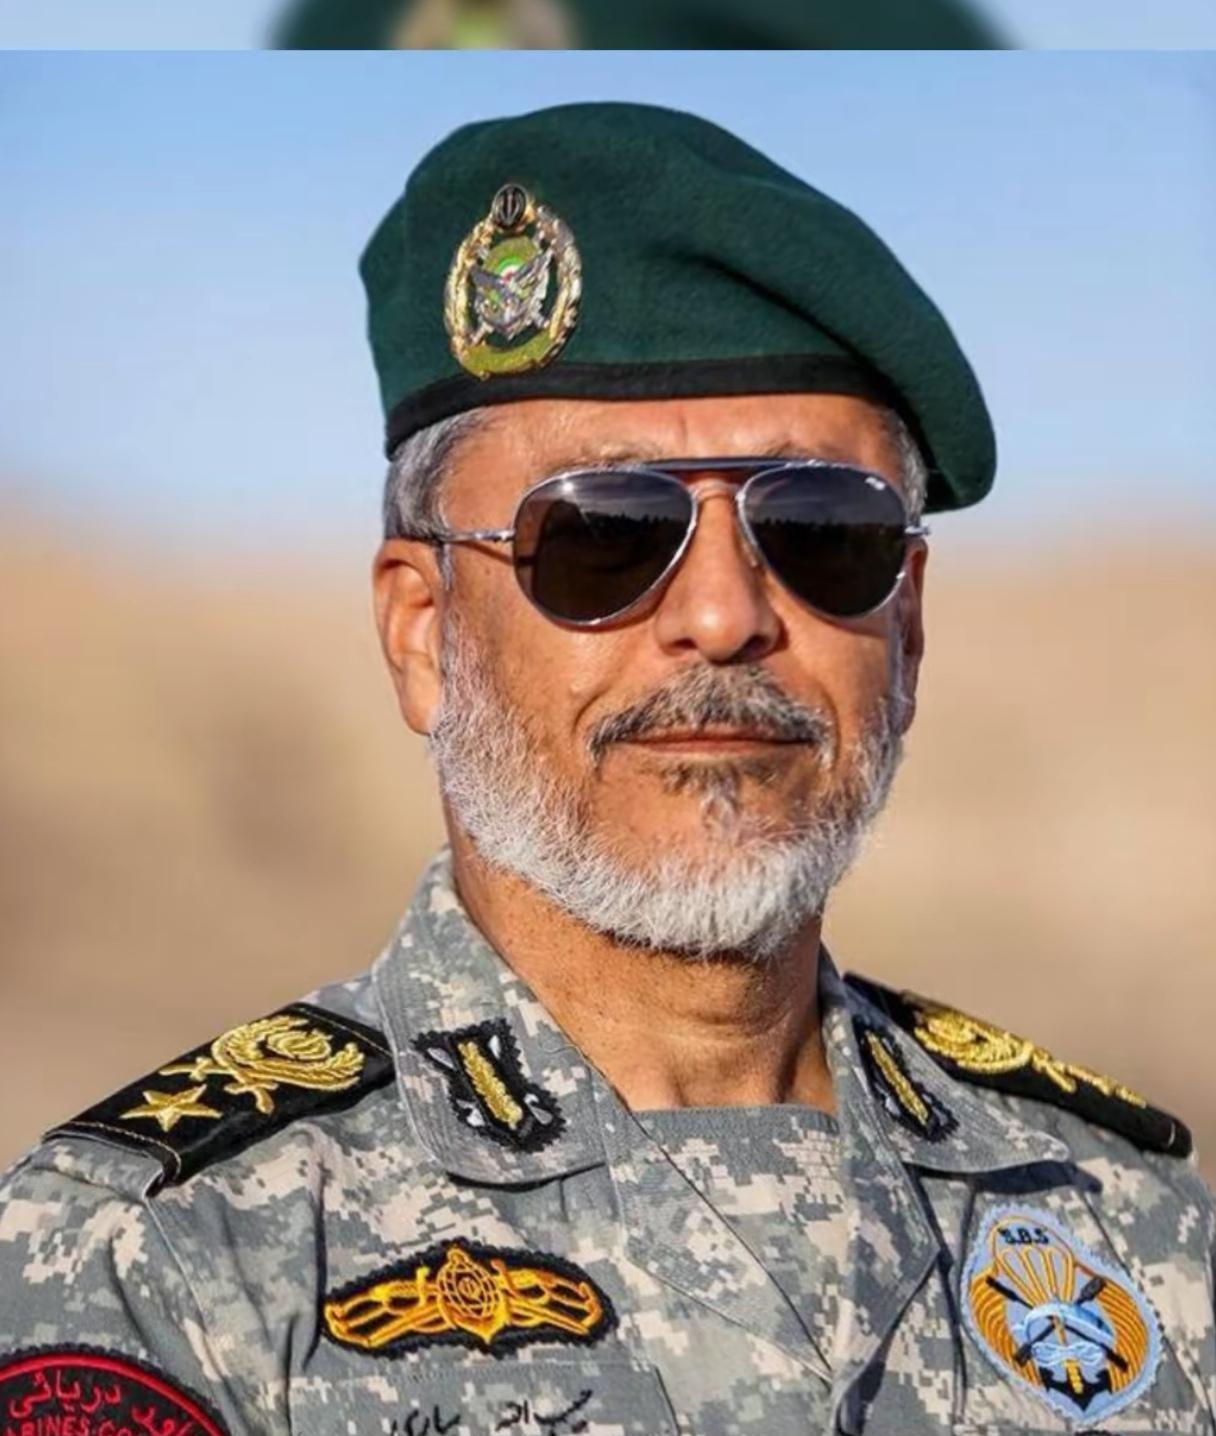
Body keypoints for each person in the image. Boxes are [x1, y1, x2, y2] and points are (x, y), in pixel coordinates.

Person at [1, 101, 1212, 1435]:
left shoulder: (1123, 1220)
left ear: (908, 627)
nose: (724, 616)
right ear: (423, 633)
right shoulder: (166, 1261)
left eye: (823, 532)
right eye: (603, 536)